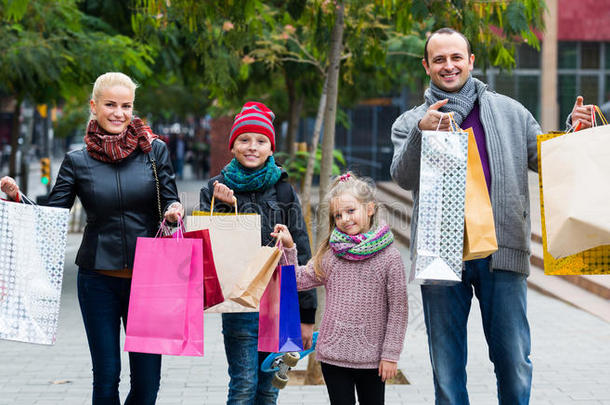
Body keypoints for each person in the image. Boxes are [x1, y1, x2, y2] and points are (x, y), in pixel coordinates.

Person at [390, 27, 588, 405]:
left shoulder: (510, 112)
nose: (449, 66)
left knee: (514, 361)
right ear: (427, 66)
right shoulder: (411, 121)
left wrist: (573, 134)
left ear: (471, 61)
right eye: (439, 59)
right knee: (447, 369)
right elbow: (401, 176)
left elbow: (548, 162)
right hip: (440, 258)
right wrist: (421, 133)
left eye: (456, 57)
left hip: (503, 251)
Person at [1, 72, 183, 405]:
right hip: (96, 281)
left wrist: (174, 210)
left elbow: (170, 198)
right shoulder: (76, 161)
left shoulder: (154, 150)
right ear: (94, 106)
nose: (119, 113)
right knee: (106, 377)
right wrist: (17, 199)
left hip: (149, 281)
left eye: (126, 105)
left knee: (147, 384)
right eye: (110, 104)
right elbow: (52, 216)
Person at [199, 101, 317, 404]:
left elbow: (301, 253)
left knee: (269, 389)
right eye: (245, 139)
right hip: (240, 302)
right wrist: (224, 209)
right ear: (233, 144)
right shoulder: (215, 188)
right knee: (243, 386)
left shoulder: (283, 190)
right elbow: (206, 250)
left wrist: (306, 315)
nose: (252, 147)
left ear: (270, 147)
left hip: (280, 303)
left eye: (261, 141)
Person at [272, 172, 408, 405]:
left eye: (350, 211)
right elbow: (297, 281)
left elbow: (399, 310)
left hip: (373, 359)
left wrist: (390, 355)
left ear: (370, 209)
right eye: (338, 215)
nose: (344, 219)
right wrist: (290, 248)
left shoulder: (389, 258)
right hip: (333, 357)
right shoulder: (332, 255)